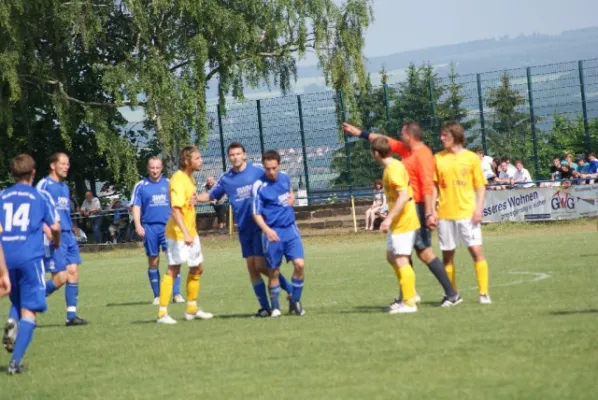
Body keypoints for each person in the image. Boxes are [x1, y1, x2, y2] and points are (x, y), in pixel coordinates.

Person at [343, 122, 461, 307]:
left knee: (423, 253)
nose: (399, 136)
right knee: (403, 254)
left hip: (419, 207)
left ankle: (449, 294)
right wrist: (360, 133)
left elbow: (428, 187)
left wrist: (430, 213)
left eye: (402, 133)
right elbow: (382, 140)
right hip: (409, 206)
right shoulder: (406, 150)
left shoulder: (423, 154)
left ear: (410, 135)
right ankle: (409, 295)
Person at [197, 142, 292, 317]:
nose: (235, 157)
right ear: (229, 157)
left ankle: (287, 290)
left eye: (238, 154)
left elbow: (275, 178)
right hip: (244, 228)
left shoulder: (258, 171)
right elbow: (211, 195)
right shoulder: (226, 178)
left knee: (260, 265)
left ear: (245, 155)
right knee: (252, 268)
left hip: (261, 225)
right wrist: (195, 198)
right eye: (232, 155)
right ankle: (266, 307)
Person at [0, 154, 61, 374]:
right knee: (30, 311)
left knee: (17, 300)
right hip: (30, 258)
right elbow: (55, 227)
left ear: (12, 174)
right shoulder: (39, 196)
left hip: (5, 258)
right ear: (33, 173)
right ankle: (15, 363)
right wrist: (56, 243)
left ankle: (11, 322)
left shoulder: (2, 196)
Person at [432, 122, 491, 304]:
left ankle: (483, 293)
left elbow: (480, 186)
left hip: (467, 213)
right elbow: (434, 187)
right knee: (447, 255)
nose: (441, 138)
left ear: (455, 136)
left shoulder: (471, 158)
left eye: (444, 135)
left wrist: (478, 209)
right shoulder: (438, 158)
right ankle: (452, 294)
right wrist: (432, 211)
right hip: (445, 213)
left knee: (475, 251)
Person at [156, 146, 213, 324]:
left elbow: (189, 202)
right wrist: (186, 233)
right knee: (174, 269)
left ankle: (191, 309)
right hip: (179, 234)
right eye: (197, 158)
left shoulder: (189, 178)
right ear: (187, 161)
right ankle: (162, 314)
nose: (200, 161)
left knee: (197, 268)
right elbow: (175, 209)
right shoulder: (178, 179)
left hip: (190, 232)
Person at [31, 153, 88, 325]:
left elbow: (64, 213)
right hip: (53, 236)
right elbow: (34, 211)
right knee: (61, 277)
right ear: (52, 165)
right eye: (62, 164)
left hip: (68, 235)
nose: (66, 167)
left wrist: (73, 228)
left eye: (67, 164)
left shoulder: (64, 187)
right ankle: (31, 300)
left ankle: (71, 316)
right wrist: (46, 229)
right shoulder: (44, 185)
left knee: (73, 273)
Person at [252, 150, 306, 317]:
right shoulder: (259, 186)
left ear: (279, 165)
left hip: (290, 228)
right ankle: (275, 307)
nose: (271, 172)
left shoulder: (285, 177)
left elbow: (290, 192)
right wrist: (267, 231)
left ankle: (295, 301)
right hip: (272, 232)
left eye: (274, 168)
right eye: (268, 168)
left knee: (300, 265)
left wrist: (292, 197)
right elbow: (256, 213)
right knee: (273, 271)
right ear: (264, 167)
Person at [370, 136, 420, 314]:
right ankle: (410, 293)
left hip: (403, 220)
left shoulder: (393, 170)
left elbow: (404, 195)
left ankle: (409, 302)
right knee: (391, 257)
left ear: (376, 153)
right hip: (397, 221)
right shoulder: (391, 168)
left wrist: (389, 218)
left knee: (400, 259)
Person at [131, 157, 184, 305]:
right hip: (150, 228)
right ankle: (157, 296)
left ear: (162, 168)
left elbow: (177, 205)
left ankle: (176, 293)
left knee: (173, 259)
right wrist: (138, 225)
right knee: (153, 260)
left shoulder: (169, 184)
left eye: (157, 168)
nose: (155, 171)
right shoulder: (141, 186)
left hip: (168, 227)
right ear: (148, 168)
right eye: (152, 168)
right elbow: (136, 206)